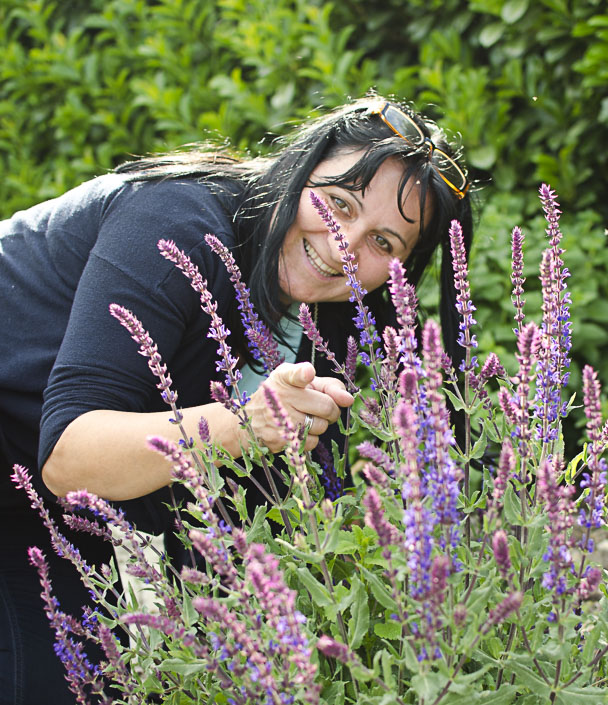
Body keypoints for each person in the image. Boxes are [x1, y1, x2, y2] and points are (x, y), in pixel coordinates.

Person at [0, 96, 473, 704]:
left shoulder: (335, 320)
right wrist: (243, 425)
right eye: (337, 203)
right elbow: (73, 458)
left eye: (383, 240)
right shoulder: (176, 223)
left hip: (34, 503)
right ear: (300, 170)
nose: (342, 244)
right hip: (54, 466)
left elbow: (233, 525)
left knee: (79, 683)